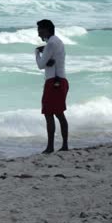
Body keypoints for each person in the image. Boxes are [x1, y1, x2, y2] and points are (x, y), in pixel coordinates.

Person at [35, 19, 69, 154]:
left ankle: (50, 147)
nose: (38, 33)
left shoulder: (50, 44)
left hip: (53, 82)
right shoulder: (58, 42)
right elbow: (52, 60)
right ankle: (65, 145)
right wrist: (48, 60)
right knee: (59, 114)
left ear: (46, 30)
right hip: (62, 81)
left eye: (40, 30)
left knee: (48, 114)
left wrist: (36, 52)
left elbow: (40, 65)